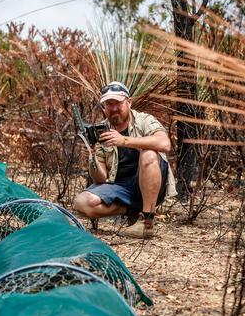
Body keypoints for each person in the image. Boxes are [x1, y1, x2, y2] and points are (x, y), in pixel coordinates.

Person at [73, 81, 177, 238]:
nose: (114, 108)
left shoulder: (143, 120)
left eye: (118, 103)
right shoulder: (102, 131)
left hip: (151, 185)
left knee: (148, 154)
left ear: (129, 102)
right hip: (121, 188)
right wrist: (91, 156)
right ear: (104, 107)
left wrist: (124, 141)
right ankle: (132, 209)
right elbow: (100, 178)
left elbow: (164, 144)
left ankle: (147, 222)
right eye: (109, 104)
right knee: (81, 203)